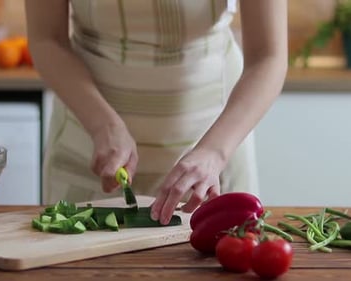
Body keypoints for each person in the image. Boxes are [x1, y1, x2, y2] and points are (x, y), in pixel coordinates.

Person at [25, 0, 288, 225]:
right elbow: (47, 39)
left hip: (214, 143)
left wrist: (213, 152)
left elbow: (268, 56)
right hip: (89, 141)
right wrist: (101, 125)